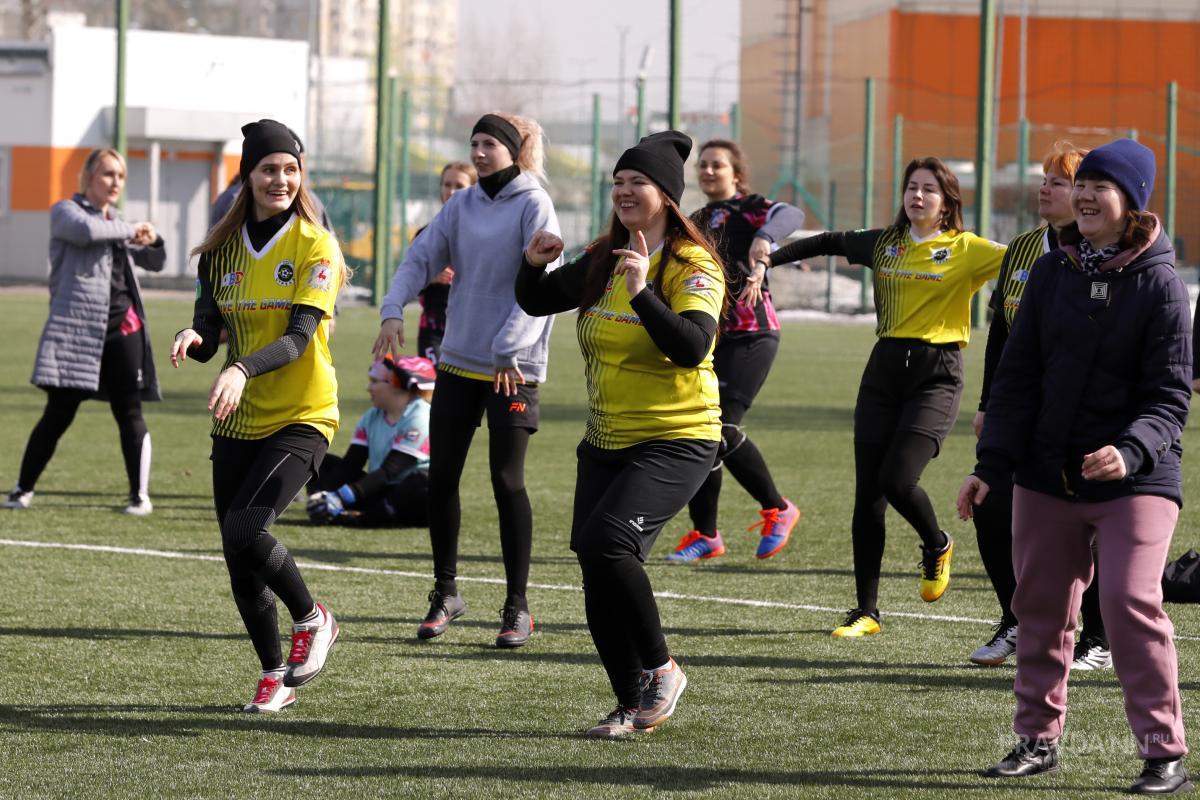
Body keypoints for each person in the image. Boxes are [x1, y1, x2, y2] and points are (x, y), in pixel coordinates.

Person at [958, 139, 1192, 794]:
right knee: (1040, 607)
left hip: (1137, 479)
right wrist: (990, 465)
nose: (1084, 195)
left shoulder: (1162, 284)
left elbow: (1170, 397)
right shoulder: (1050, 272)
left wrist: (1130, 449)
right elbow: (1017, 378)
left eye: (1100, 186)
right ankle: (1037, 740)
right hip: (1046, 473)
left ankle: (1164, 753)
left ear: (1131, 202)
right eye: (1080, 183)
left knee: (1128, 602)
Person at [516, 131, 727, 738]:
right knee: (595, 562)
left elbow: (692, 347)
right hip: (608, 438)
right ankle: (631, 703)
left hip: (678, 436)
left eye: (638, 182)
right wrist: (533, 263)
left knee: (608, 543)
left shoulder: (693, 265)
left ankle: (662, 670)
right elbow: (536, 301)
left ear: (668, 196)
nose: (624, 191)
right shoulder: (604, 255)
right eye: (618, 182)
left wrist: (642, 295)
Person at [766, 157, 1005, 637]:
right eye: (912, 187)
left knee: (898, 480)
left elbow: (1027, 260)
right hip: (883, 372)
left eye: (929, 189)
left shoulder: (968, 248)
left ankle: (936, 543)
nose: (917, 195)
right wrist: (766, 259)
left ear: (947, 202)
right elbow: (829, 241)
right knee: (867, 498)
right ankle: (866, 612)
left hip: (937, 374)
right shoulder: (885, 243)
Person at [171, 119, 343, 714]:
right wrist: (193, 335)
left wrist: (243, 369)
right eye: (269, 169)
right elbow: (211, 332)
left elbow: (298, 339)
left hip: (303, 413)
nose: (281, 179)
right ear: (247, 176)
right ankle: (274, 674)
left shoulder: (316, 245)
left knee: (246, 528)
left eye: (291, 169)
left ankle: (313, 619)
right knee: (238, 554)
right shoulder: (219, 251)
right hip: (238, 419)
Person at [373, 113, 560, 648]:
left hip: (512, 369)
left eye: (489, 144)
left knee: (507, 481)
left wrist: (507, 348)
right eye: (474, 143)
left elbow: (543, 288)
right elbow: (419, 258)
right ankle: (446, 593)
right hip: (457, 363)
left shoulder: (535, 203)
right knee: (442, 478)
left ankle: (518, 606)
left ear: (513, 151)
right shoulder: (461, 205)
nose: (478, 152)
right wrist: (393, 307)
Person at [968, 141, 1095, 667]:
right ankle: (1015, 618)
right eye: (1044, 179)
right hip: (1019, 409)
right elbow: (1000, 334)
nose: (1045, 189)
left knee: (1086, 521)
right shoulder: (1021, 249)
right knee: (991, 507)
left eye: (1058, 182)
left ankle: (1098, 636)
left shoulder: (1100, 252)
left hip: (1080, 414)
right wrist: (987, 404)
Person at [4, 148, 165, 515]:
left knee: (130, 412)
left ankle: (139, 496)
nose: (115, 182)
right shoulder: (66, 212)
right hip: (78, 333)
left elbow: (156, 261)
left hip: (123, 330)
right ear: (89, 176)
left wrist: (154, 239)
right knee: (58, 413)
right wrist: (133, 229)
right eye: (108, 174)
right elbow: (87, 231)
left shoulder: (119, 223)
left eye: (121, 176)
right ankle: (22, 490)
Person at [666, 139, 804, 563]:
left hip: (753, 333)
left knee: (721, 427)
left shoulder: (751, 207)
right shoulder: (696, 220)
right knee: (700, 430)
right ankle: (705, 534)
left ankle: (778, 508)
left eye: (717, 165)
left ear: (736, 173)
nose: (708, 171)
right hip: (713, 338)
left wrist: (764, 236)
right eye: (703, 165)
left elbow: (792, 214)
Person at [306, 355, 433, 528]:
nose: (368, 388)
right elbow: (351, 464)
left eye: (374, 381)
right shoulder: (372, 416)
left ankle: (361, 518)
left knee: (422, 482)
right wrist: (326, 493)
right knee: (319, 462)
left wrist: (340, 496)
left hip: (410, 495)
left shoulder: (420, 416)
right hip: (382, 490)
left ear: (396, 385)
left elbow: (390, 471)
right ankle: (327, 509)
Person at [415, 162, 477, 365]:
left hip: (472, 332)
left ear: (475, 189)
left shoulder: (485, 234)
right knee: (434, 382)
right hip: (433, 331)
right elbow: (408, 281)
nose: (451, 191)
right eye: (447, 184)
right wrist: (430, 278)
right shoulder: (425, 233)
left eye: (459, 186)